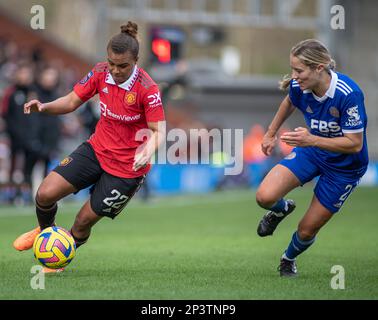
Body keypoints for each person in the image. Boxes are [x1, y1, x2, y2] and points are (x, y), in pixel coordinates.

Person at [13, 21, 166, 272]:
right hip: (96, 150)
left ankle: (59, 259)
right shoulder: (99, 72)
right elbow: (72, 100)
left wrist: (147, 150)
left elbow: (159, 131)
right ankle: (45, 232)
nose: (115, 71)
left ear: (136, 61)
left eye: (123, 66)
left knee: (83, 222)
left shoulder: (147, 90)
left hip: (126, 169)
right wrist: (45, 106)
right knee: (45, 193)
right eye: (111, 63)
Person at [255, 39, 369, 277]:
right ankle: (281, 209)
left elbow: (354, 144)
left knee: (307, 230)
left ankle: (288, 258)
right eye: (293, 69)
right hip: (313, 151)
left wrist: (311, 140)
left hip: (344, 168)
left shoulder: (348, 94)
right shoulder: (300, 86)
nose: (294, 76)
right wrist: (270, 133)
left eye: (299, 70)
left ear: (319, 68)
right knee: (264, 196)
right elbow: (289, 101)